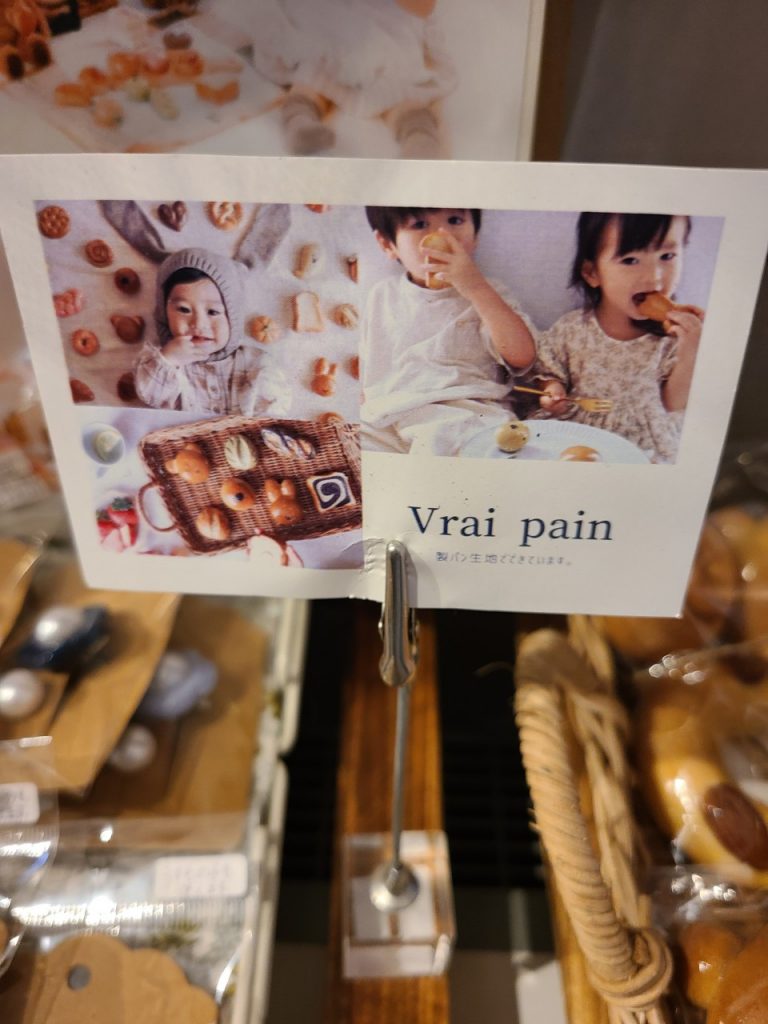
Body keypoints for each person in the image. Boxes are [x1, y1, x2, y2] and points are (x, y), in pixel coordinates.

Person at [360, 206, 537, 456]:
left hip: (464, 410)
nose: (442, 235)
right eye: (420, 225)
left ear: (475, 236)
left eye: (454, 220)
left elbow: (522, 357)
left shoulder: (488, 293)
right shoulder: (382, 295)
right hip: (390, 414)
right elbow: (370, 368)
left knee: (441, 443)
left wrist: (475, 286)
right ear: (388, 244)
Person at [534, 212, 704, 463]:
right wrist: (553, 391)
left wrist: (691, 349)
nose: (654, 277)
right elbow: (550, 371)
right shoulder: (572, 328)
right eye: (630, 260)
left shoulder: (673, 339)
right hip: (578, 433)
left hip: (643, 443)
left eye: (667, 256)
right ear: (592, 272)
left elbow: (673, 404)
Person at [250, 0, 457, 157]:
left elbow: (424, 7)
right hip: (328, 29)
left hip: (388, 35)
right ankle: (300, 124)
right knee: (311, 78)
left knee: (404, 92)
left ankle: (419, 139)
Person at [135, 248, 289, 416]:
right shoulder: (159, 360)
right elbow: (150, 395)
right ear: (164, 314)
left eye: (213, 312)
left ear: (233, 318)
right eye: (184, 310)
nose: (198, 324)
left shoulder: (255, 363)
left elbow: (274, 412)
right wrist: (170, 359)